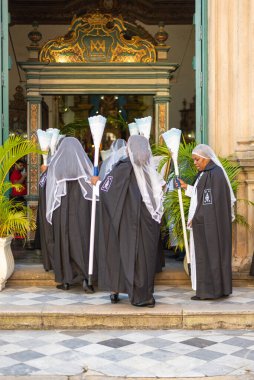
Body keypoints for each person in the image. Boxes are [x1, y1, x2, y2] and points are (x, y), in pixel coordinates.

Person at [92, 135, 165, 307]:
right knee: (145, 258)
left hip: (129, 222)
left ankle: (137, 296)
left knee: (130, 255)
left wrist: (96, 183)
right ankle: (145, 294)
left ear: (129, 149)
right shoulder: (151, 168)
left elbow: (106, 190)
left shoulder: (122, 168)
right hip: (149, 222)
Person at [176, 144, 236, 300]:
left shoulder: (214, 174)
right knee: (204, 256)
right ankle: (208, 289)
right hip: (203, 223)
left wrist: (196, 218)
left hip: (208, 225)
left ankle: (209, 291)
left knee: (207, 255)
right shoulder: (206, 173)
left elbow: (209, 203)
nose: (195, 163)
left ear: (206, 158)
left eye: (197, 159)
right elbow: (200, 194)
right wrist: (185, 187)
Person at [44, 137, 95, 291]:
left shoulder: (56, 165)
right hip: (81, 208)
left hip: (62, 209)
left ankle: (66, 279)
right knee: (82, 240)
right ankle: (87, 277)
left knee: (64, 241)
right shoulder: (84, 166)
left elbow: (51, 189)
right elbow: (92, 189)